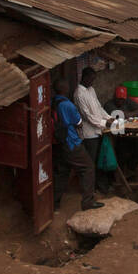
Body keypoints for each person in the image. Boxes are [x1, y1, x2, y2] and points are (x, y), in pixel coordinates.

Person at [52, 78, 104, 211]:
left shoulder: (54, 102)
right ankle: (88, 201)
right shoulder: (68, 105)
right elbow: (79, 122)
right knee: (88, 168)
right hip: (71, 142)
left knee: (62, 172)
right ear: (64, 88)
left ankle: (54, 203)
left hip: (60, 143)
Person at [74, 67, 115, 194]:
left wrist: (109, 118)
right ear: (85, 78)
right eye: (91, 79)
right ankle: (90, 190)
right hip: (88, 134)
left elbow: (99, 108)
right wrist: (105, 123)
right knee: (91, 163)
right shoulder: (79, 94)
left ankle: (100, 186)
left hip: (98, 130)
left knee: (99, 159)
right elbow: (88, 117)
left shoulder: (91, 90)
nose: (92, 82)